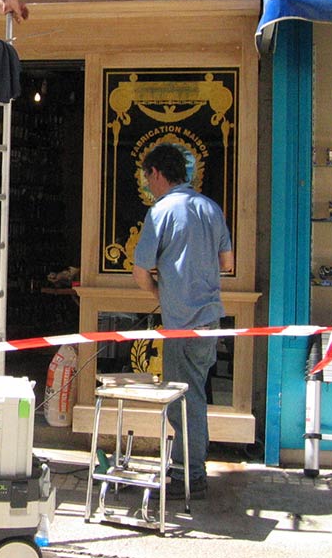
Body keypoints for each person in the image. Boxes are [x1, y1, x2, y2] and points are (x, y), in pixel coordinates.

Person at [131, 143, 234, 499]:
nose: (148, 185)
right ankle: (188, 466)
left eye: (148, 178)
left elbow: (140, 271)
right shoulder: (210, 207)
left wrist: (162, 294)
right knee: (196, 392)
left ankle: (190, 473)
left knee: (184, 399)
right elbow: (227, 262)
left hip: (181, 321)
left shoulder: (161, 211)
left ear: (157, 173)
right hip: (210, 318)